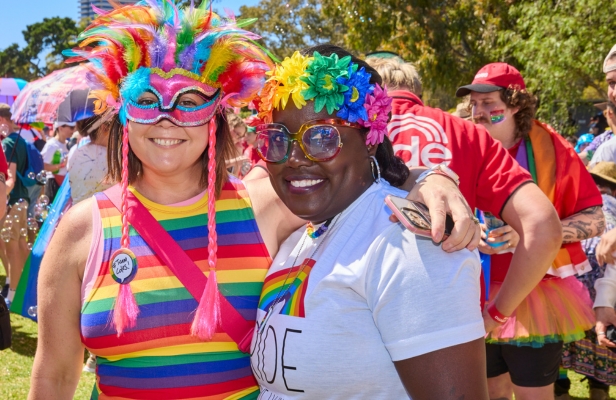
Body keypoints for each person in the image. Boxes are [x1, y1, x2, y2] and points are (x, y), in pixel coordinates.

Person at [29, 3, 477, 398]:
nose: (167, 118)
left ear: (217, 115)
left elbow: (354, 183)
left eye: (188, 100)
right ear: (123, 112)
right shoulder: (82, 231)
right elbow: (53, 374)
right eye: (147, 99)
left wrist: (430, 178)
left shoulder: (265, 205)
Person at [251, 44, 489, 399]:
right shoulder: (300, 235)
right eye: (278, 139)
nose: (295, 159)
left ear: (370, 140)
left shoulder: (410, 246)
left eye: (321, 137)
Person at [367, 56, 563, 335]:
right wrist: (496, 315)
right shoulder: (469, 134)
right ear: (417, 93)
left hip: (361, 307)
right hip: (449, 318)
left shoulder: (345, 129)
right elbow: (543, 227)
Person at [457, 62, 604, 400]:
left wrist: (532, 233)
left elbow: (595, 218)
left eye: (489, 103)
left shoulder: (554, 149)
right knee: (490, 392)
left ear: (515, 103)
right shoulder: (459, 145)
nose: (478, 113)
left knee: (532, 395)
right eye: (473, 104)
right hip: (472, 289)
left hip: (534, 294)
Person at [560, 161, 616, 400]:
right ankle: (599, 390)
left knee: (563, 333)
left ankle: (559, 389)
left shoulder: (581, 205)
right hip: (605, 283)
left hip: (572, 283)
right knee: (605, 337)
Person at [0, 104, 29, 306]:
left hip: (13, 200)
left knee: (12, 248)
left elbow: (9, 176)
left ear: (3, 120)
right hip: (22, 198)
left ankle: (13, 293)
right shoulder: (21, 141)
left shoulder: (9, 143)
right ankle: (20, 286)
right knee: (19, 245)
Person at [67, 116, 113, 203]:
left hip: (78, 212)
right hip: (102, 214)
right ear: (104, 128)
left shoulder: (77, 152)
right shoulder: (110, 157)